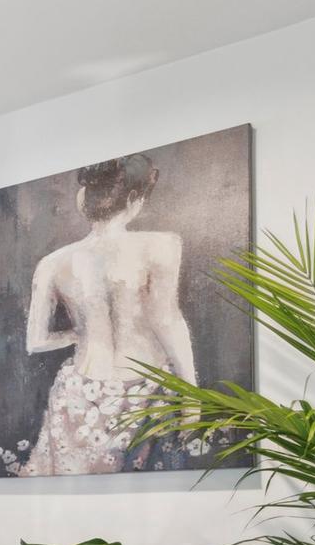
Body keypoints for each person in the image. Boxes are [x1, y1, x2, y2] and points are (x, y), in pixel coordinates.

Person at [16, 153, 195, 475]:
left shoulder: (53, 263)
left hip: (79, 396)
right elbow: (166, 319)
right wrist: (192, 397)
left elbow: (37, 341)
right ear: (133, 198)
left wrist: (76, 333)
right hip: (147, 390)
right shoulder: (162, 245)